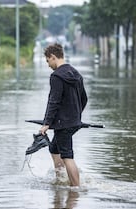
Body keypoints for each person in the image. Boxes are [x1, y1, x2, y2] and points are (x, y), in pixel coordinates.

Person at [39, 43, 88, 187]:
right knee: (54, 148)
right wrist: (76, 115)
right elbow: (84, 99)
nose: (48, 65)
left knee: (67, 155)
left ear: (53, 57)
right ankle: (61, 179)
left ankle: (75, 189)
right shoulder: (76, 73)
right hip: (73, 122)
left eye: (48, 61)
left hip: (64, 124)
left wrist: (46, 124)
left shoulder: (56, 76)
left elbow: (53, 101)